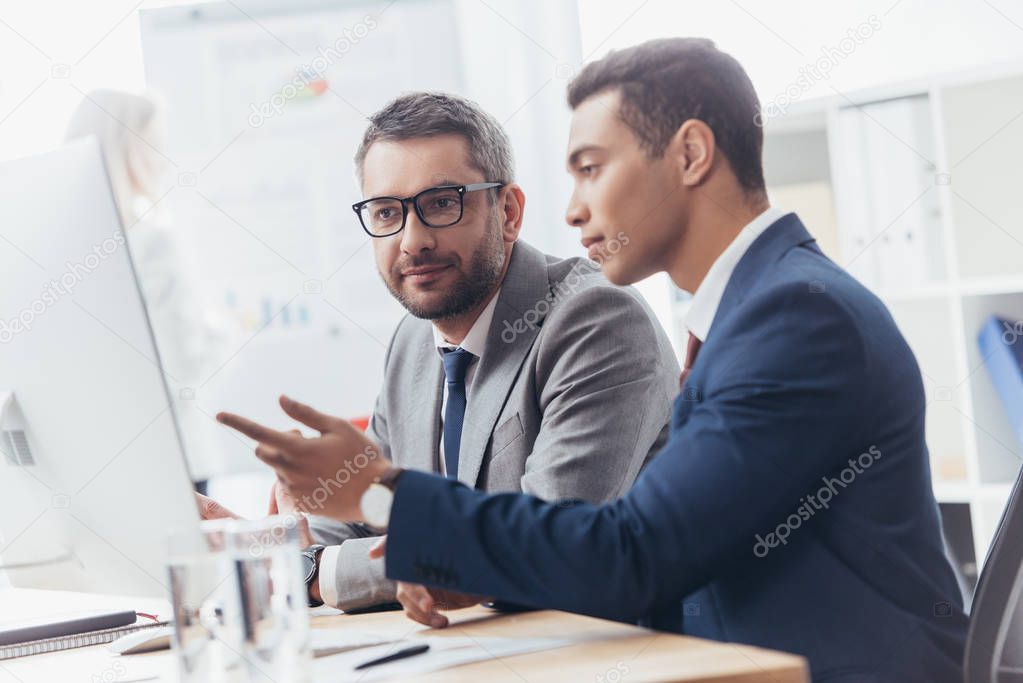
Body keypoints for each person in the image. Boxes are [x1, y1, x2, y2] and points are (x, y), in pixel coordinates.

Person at [216, 39, 968, 681]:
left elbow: (630, 551)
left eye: (590, 167)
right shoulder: (756, 307)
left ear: (690, 154)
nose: (572, 208)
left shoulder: (795, 318)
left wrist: (382, 495)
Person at [201, 92, 680, 611]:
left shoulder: (597, 320)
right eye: (387, 212)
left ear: (509, 212)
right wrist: (276, 546)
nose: (412, 240)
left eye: (442, 203)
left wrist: (313, 570)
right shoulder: (413, 341)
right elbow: (367, 514)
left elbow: (538, 548)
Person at [65, 89, 236, 490]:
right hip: (177, 454)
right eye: (154, 147)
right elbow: (185, 361)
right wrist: (221, 332)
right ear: (127, 151)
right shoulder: (153, 243)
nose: (161, 162)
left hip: (106, 459)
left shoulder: (67, 253)